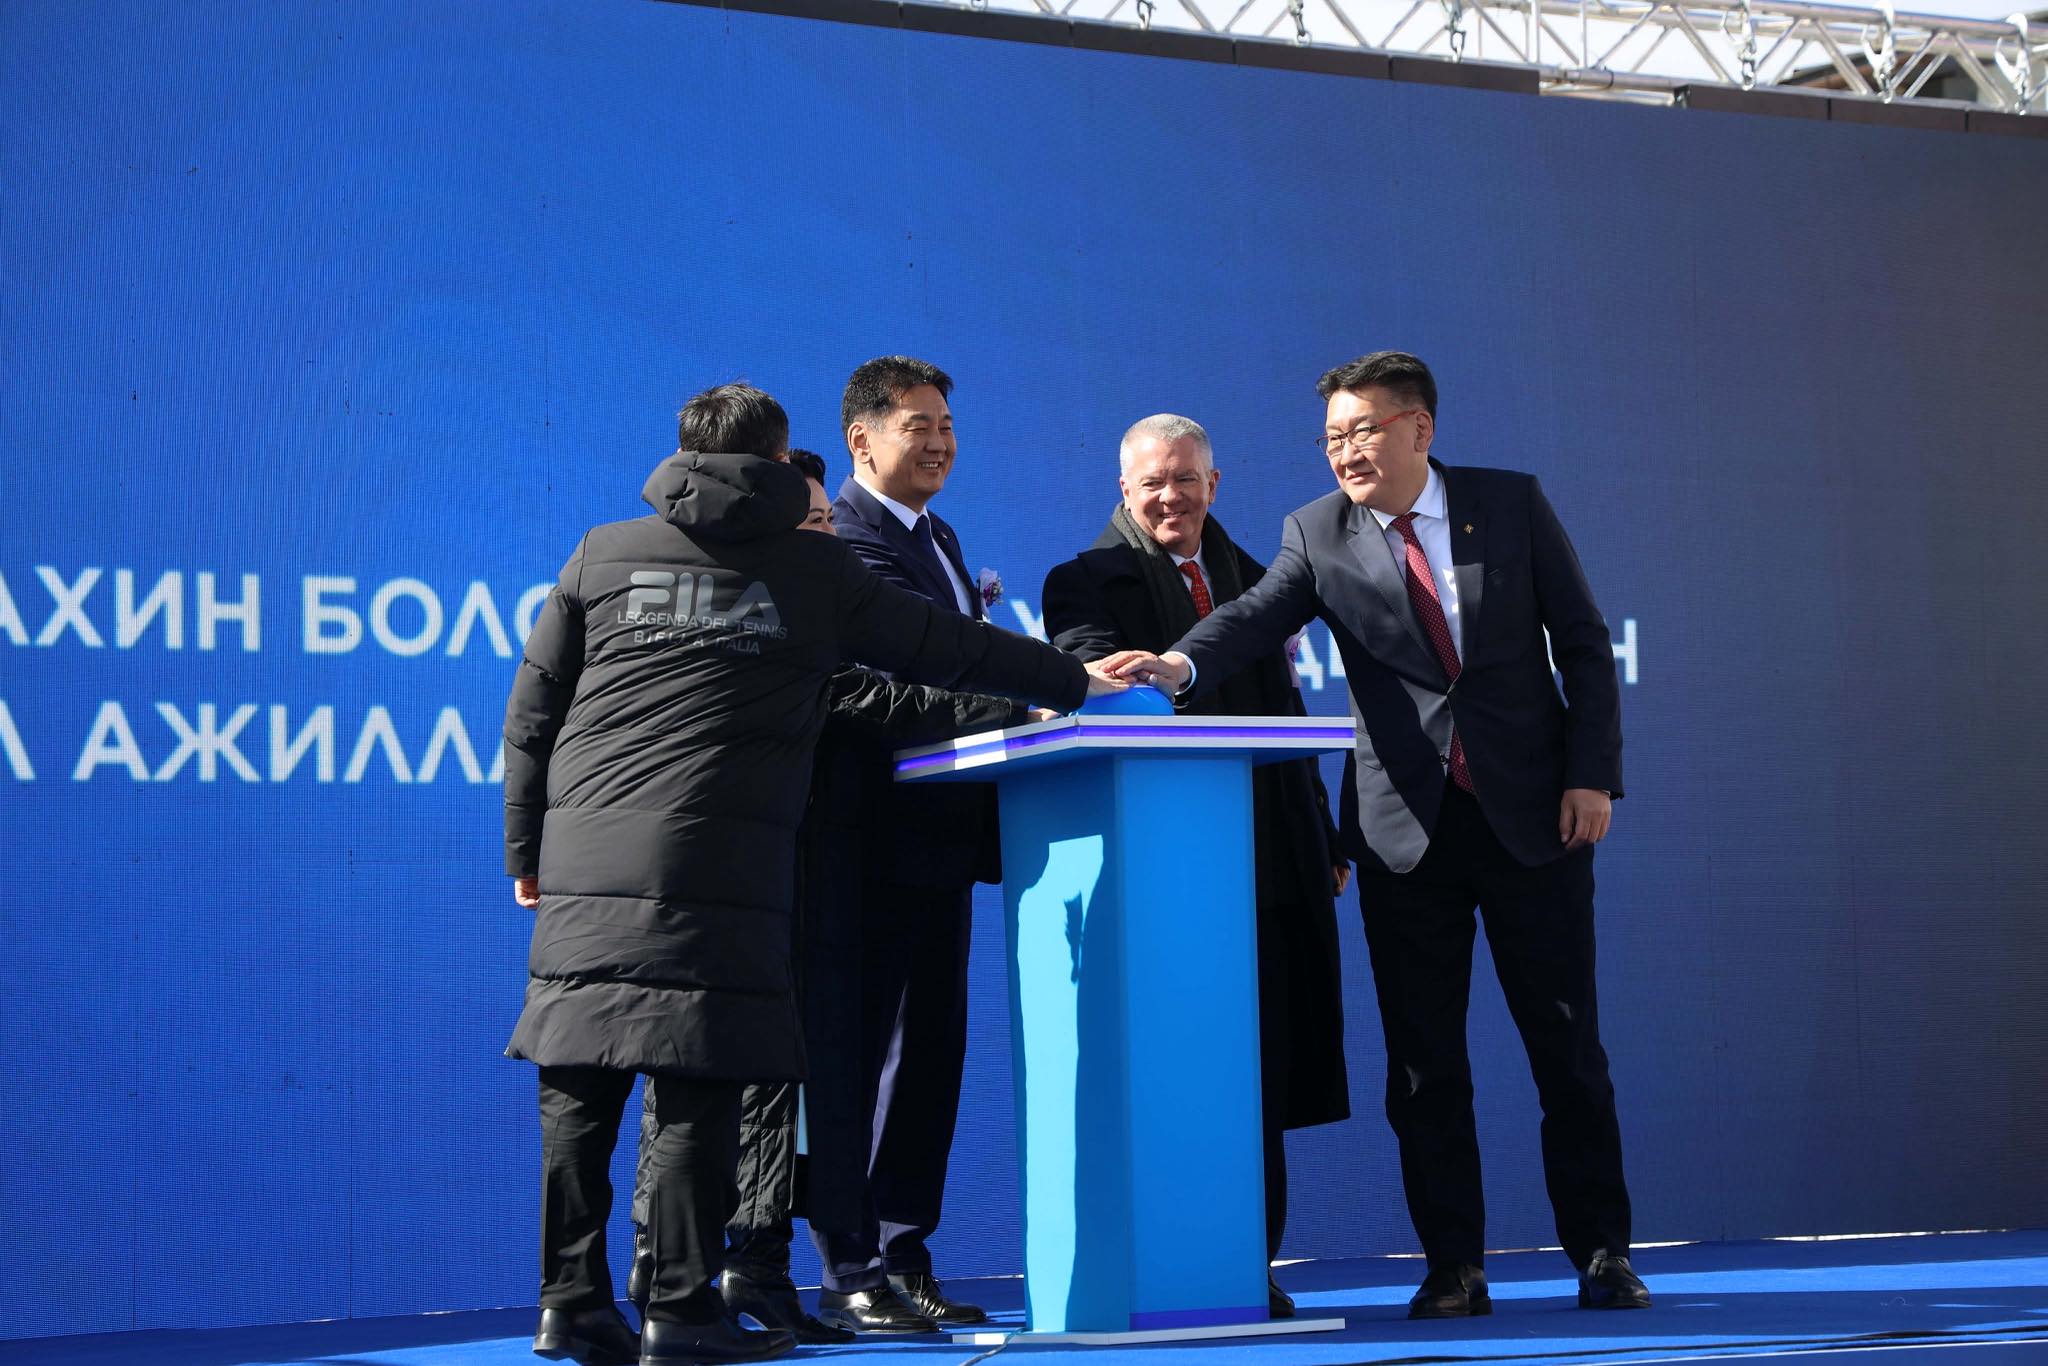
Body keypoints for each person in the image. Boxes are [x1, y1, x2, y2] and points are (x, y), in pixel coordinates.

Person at [503, 384, 1117, 1366]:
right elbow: (950, 648)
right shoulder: (812, 569)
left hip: (584, 863)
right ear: (781, 462)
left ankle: (569, 1302)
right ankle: (679, 1311)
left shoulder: (600, 553)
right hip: (719, 866)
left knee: (578, 1088)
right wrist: (1075, 681)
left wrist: (525, 851)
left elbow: (533, 712)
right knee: (696, 1087)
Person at [1103, 353, 1648, 1319]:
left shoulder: (1509, 505)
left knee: (1567, 1051)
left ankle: (1602, 1253)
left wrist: (1591, 773)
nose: (1346, 452)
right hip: (1406, 837)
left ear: (1419, 429)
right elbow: (1253, 617)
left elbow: (1583, 643)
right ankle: (1454, 1267)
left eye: (1362, 431)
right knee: (1424, 1065)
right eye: (1332, 438)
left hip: (1535, 821)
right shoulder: (1317, 531)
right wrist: (1177, 669)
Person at [625, 450, 1051, 1343]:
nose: (828, 537)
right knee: (726, 1074)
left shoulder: (819, 580)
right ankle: (690, 1277)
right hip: (744, 862)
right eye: (814, 523)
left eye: (826, 520)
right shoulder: (744, 600)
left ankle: (757, 1270)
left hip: (797, 860)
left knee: (780, 1080)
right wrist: (1026, 705)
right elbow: (862, 693)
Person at [1038, 414, 1352, 1318]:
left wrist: (1322, 834)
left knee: (1260, 1063)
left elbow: (1287, 714)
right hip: (1158, 868)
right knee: (1171, 1062)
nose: (1170, 497)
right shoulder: (1082, 580)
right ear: (1124, 490)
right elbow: (1090, 682)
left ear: (1214, 484)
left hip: (1271, 853)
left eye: (1186, 480)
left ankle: (1249, 1261)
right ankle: (1169, 1260)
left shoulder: (1261, 576)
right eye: (1152, 484)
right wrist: (1120, 677)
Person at [808, 357, 998, 1332]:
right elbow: (918, 666)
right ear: (862, 439)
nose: (939, 443)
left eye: (946, 427)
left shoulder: (939, 535)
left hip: (942, 840)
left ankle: (901, 1252)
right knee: (857, 1056)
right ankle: (853, 1266)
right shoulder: (846, 538)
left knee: (928, 1053)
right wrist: (1043, 691)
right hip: (866, 843)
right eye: (918, 426)